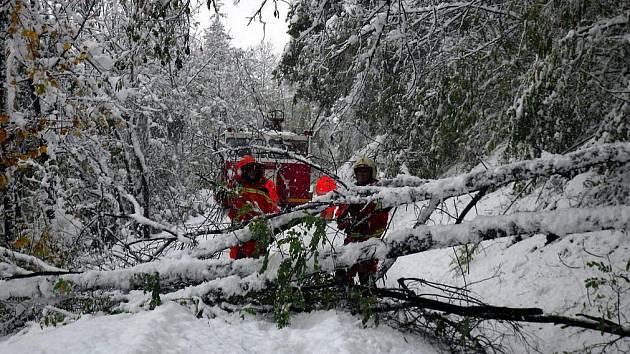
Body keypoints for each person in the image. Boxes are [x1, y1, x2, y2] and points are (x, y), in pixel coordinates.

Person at [336, 157, 390, 287]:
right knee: (341, 271)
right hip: (351, 242)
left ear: (372, 173)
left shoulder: (378, 192)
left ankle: (369, 302)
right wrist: (346, 215)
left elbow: (380, 221)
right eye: (359, 172)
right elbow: (340, 221)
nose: (361, 174)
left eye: (365, 171)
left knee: (366, 279)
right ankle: (344, 299)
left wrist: (361, 216)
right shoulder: (352, 192)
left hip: (369, 244)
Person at [218, 155, 279, 259]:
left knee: (257, 268)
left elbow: (272, 209)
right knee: (237, 268)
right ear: (243, 171)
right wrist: (221, 196)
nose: (252, 172)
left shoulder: (264, 187)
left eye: (254, 169)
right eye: (249, 169)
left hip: (259, 236)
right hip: (239, 234)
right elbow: (224, 203)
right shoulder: (235, 186)